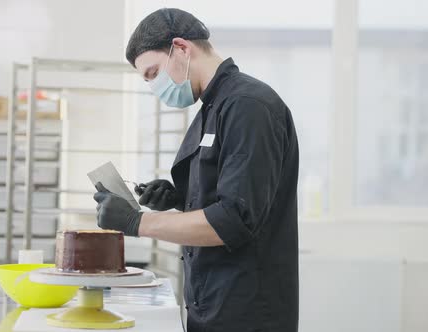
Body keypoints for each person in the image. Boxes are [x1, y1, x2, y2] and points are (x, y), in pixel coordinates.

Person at [93, 8, 299, 332]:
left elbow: (232, 220)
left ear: (182, 49)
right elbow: (227, 194)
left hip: (246, 314)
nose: (154, 87)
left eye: (153, 73)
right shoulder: (212, 108)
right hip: (212, 307)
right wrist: (180, 198)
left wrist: (137, 222)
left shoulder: (248, 106)